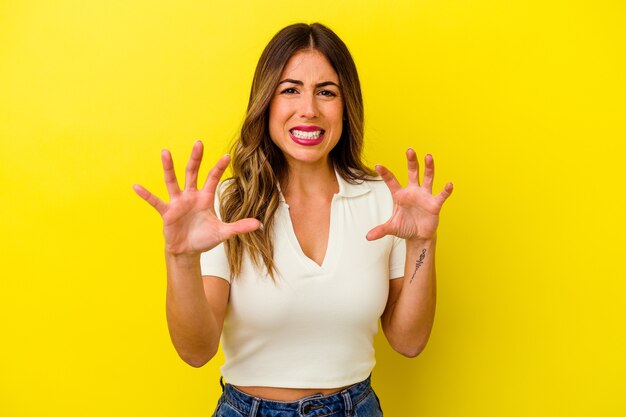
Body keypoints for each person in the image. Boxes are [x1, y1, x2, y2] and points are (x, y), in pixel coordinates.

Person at [134, 22, 453, 417]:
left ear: (346, 105)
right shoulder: (228, 203)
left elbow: (409, 341)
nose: (309, 109)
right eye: (290, 89)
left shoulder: (385, 200)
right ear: (266, 101)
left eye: (326, 92)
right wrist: (180, 258)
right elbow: (196, 351)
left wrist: (423, 243)